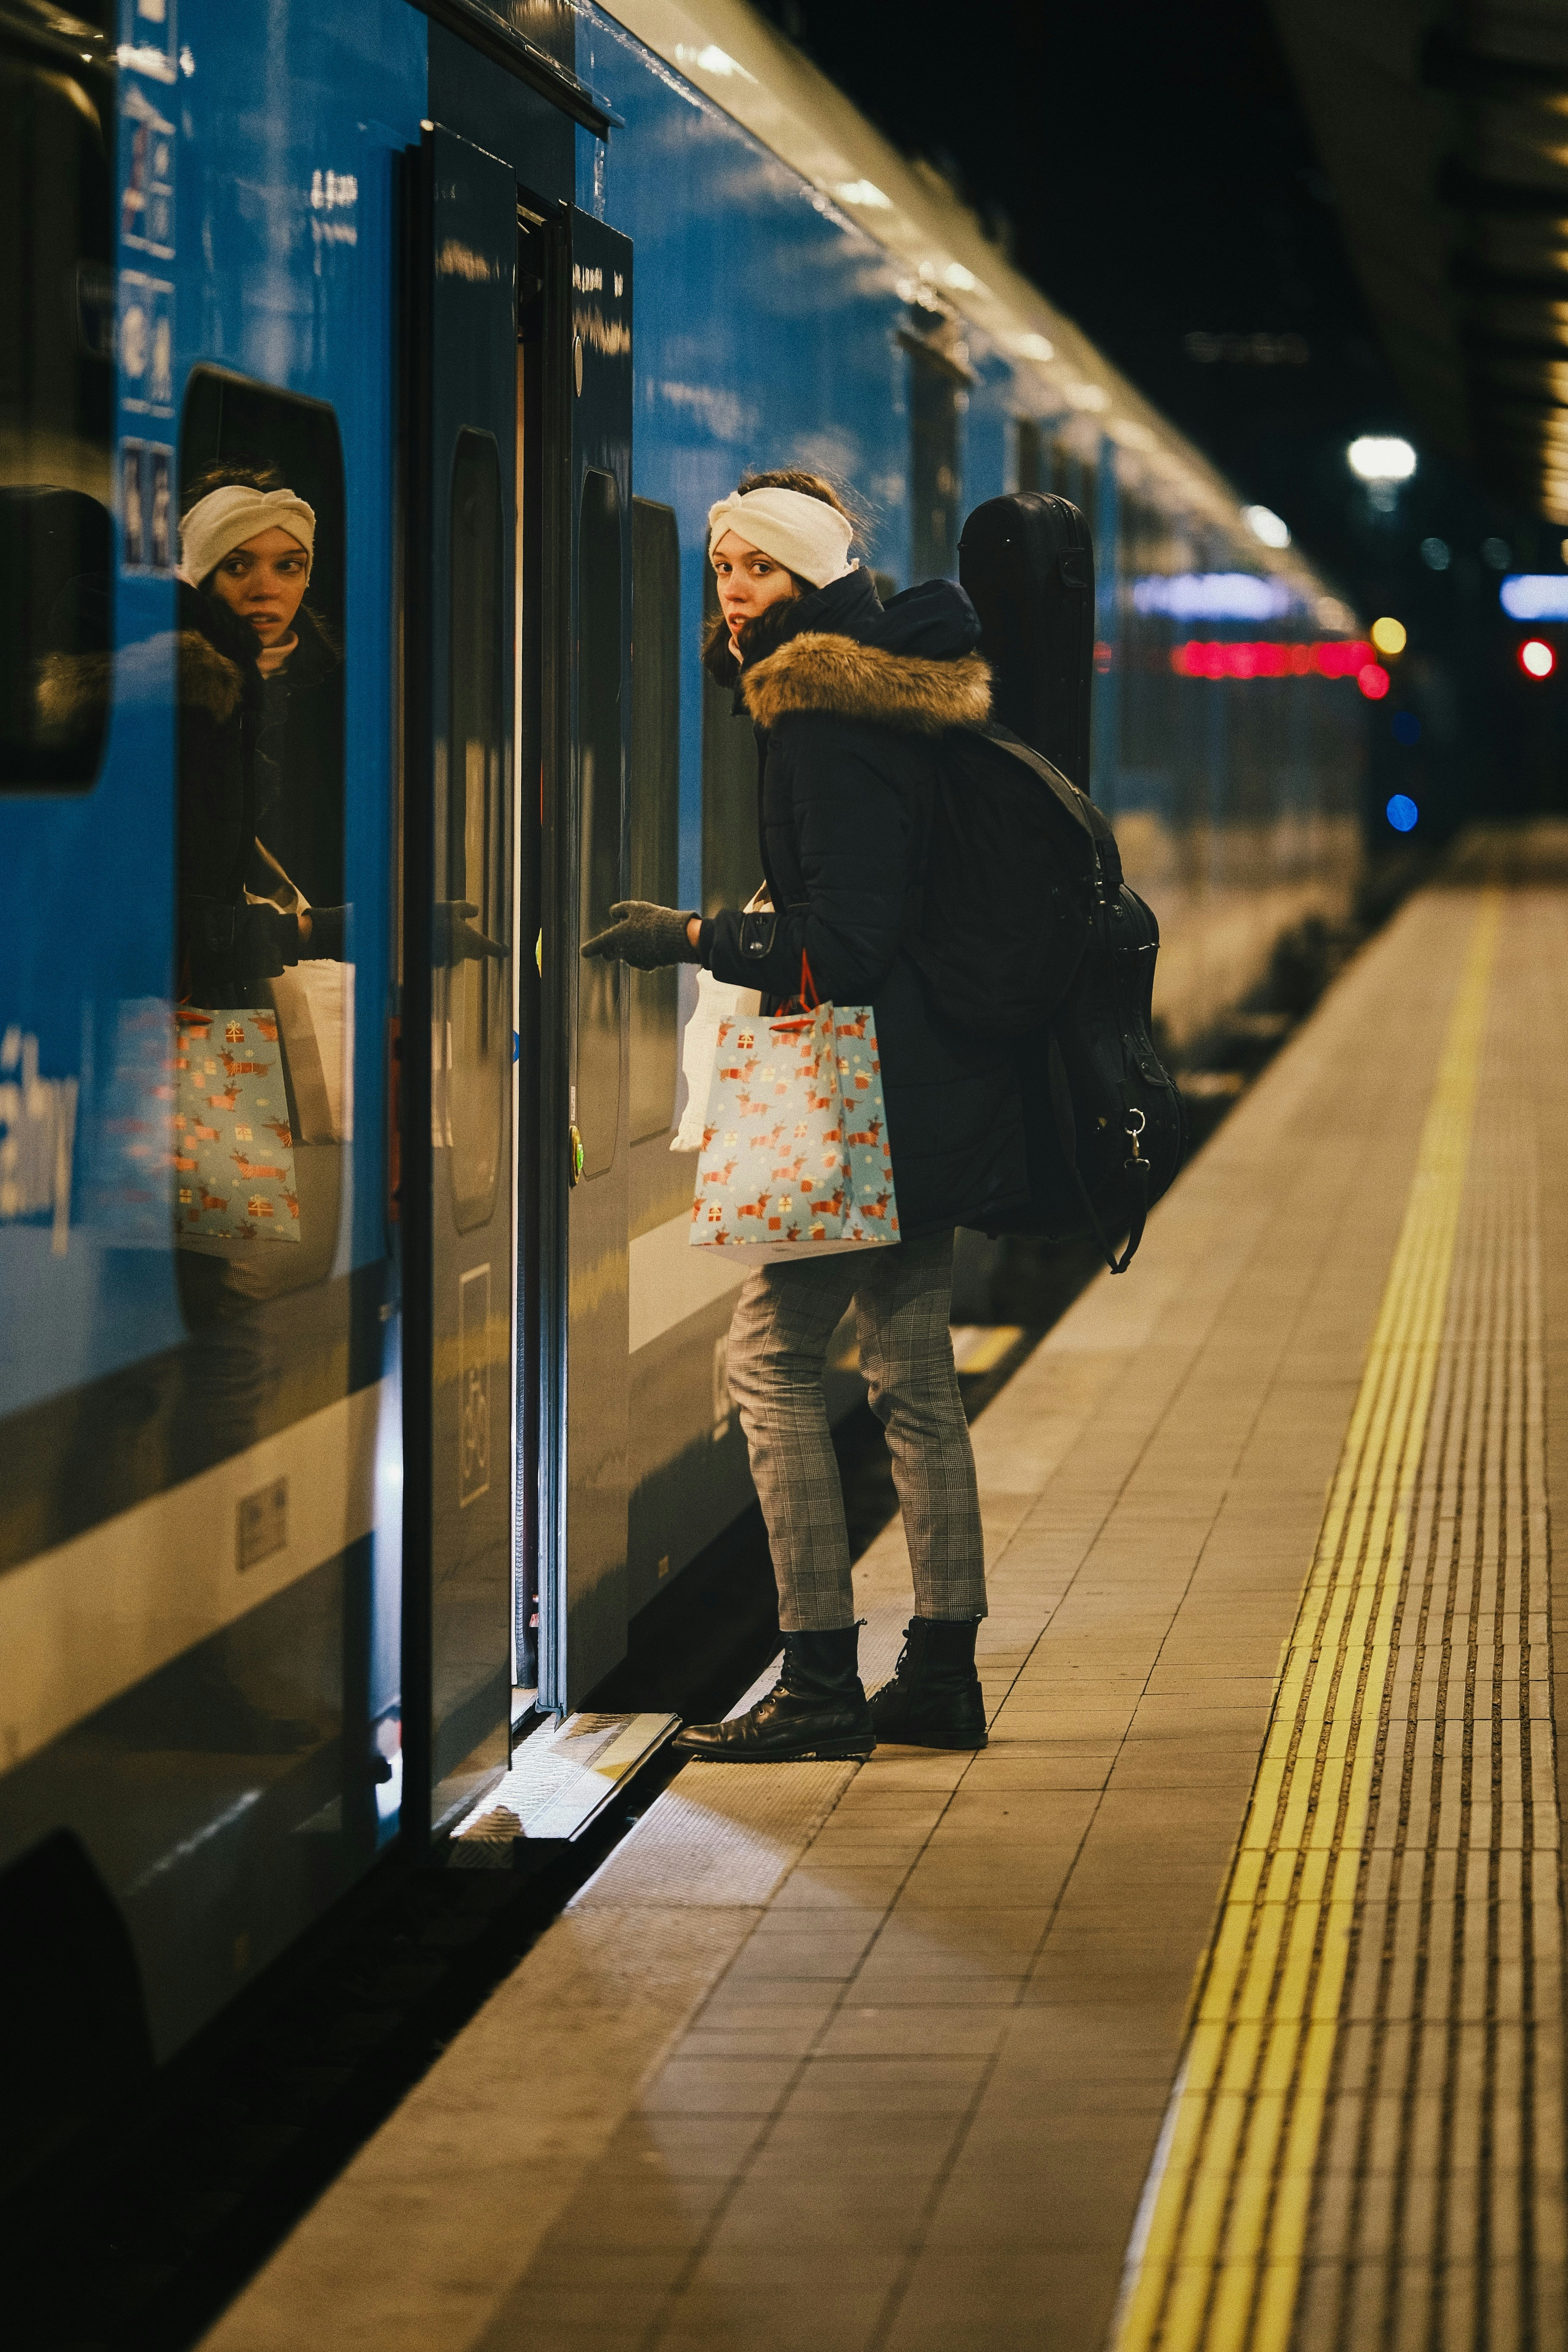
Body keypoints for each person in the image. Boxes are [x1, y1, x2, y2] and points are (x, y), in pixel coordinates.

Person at [584, 471, 1030, 1762]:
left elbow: (851, 935)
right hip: (919, 1087)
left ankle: (821, 1681)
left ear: (816, 581)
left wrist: (693, 937)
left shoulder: (823, 712)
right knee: (908, 1367)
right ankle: (939, 1673)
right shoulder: (867, 691)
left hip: (865, 1097)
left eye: (760, 571)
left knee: (765, 1362)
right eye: (723, 567)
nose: (734, 590)